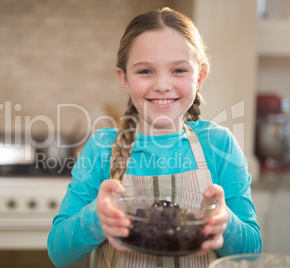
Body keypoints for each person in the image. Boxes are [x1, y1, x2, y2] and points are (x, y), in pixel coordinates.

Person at [47, 7, 262, 268]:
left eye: (179, 70)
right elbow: (59, 253)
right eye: (145, 71)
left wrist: (225, 221)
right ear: (124, 79)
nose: (162, 85)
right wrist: (97, 217)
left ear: (200, 77)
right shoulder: (101, 148)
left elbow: (252, 251)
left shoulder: (219, 144)